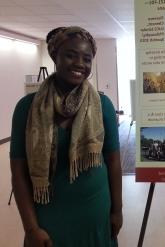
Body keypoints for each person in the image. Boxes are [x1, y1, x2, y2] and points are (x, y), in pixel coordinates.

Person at [10, 26, 123, 247]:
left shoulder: (103, 105)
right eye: (70, 55)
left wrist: (117, 211)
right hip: (49, 216)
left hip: (95, 213)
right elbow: (18, 172)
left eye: (87, 58)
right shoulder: (28, 107)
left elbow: (113, 162)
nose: (80, 63)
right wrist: (31, 228)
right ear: (55, 56)